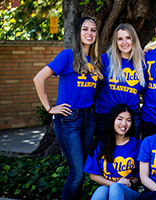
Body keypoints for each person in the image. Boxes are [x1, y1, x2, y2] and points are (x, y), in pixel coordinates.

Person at [33, 17, 103, 200]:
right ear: (78, 33)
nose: (89, 33)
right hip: (68, 119)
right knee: (77, 174)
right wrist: (49, 108)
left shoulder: (95, 60)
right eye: (85, 29)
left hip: (88, 119)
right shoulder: (67, 55)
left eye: (93, 30)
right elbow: (38, 78)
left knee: (81, 173)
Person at [95, 23, 146, 139]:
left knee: (130, 153)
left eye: (128, 38)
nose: (124, 42)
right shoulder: (105, 60)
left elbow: (142, 90)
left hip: (130, 117)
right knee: (103, 153)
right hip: (106, 114)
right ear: (115, 42)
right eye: (120, 39)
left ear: (134, 40)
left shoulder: (141, 63)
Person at [84, 104, 141, 200]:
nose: (124, 123)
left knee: (114, 188)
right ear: (112, 120)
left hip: (130, 191)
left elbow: (142, 173)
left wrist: (130, 183)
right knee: (102, 190)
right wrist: (115, 184)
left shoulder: (137, 144)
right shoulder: (100, 144)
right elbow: (93, 175)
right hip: (108, 188)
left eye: (128, 120)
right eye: (120, 119)